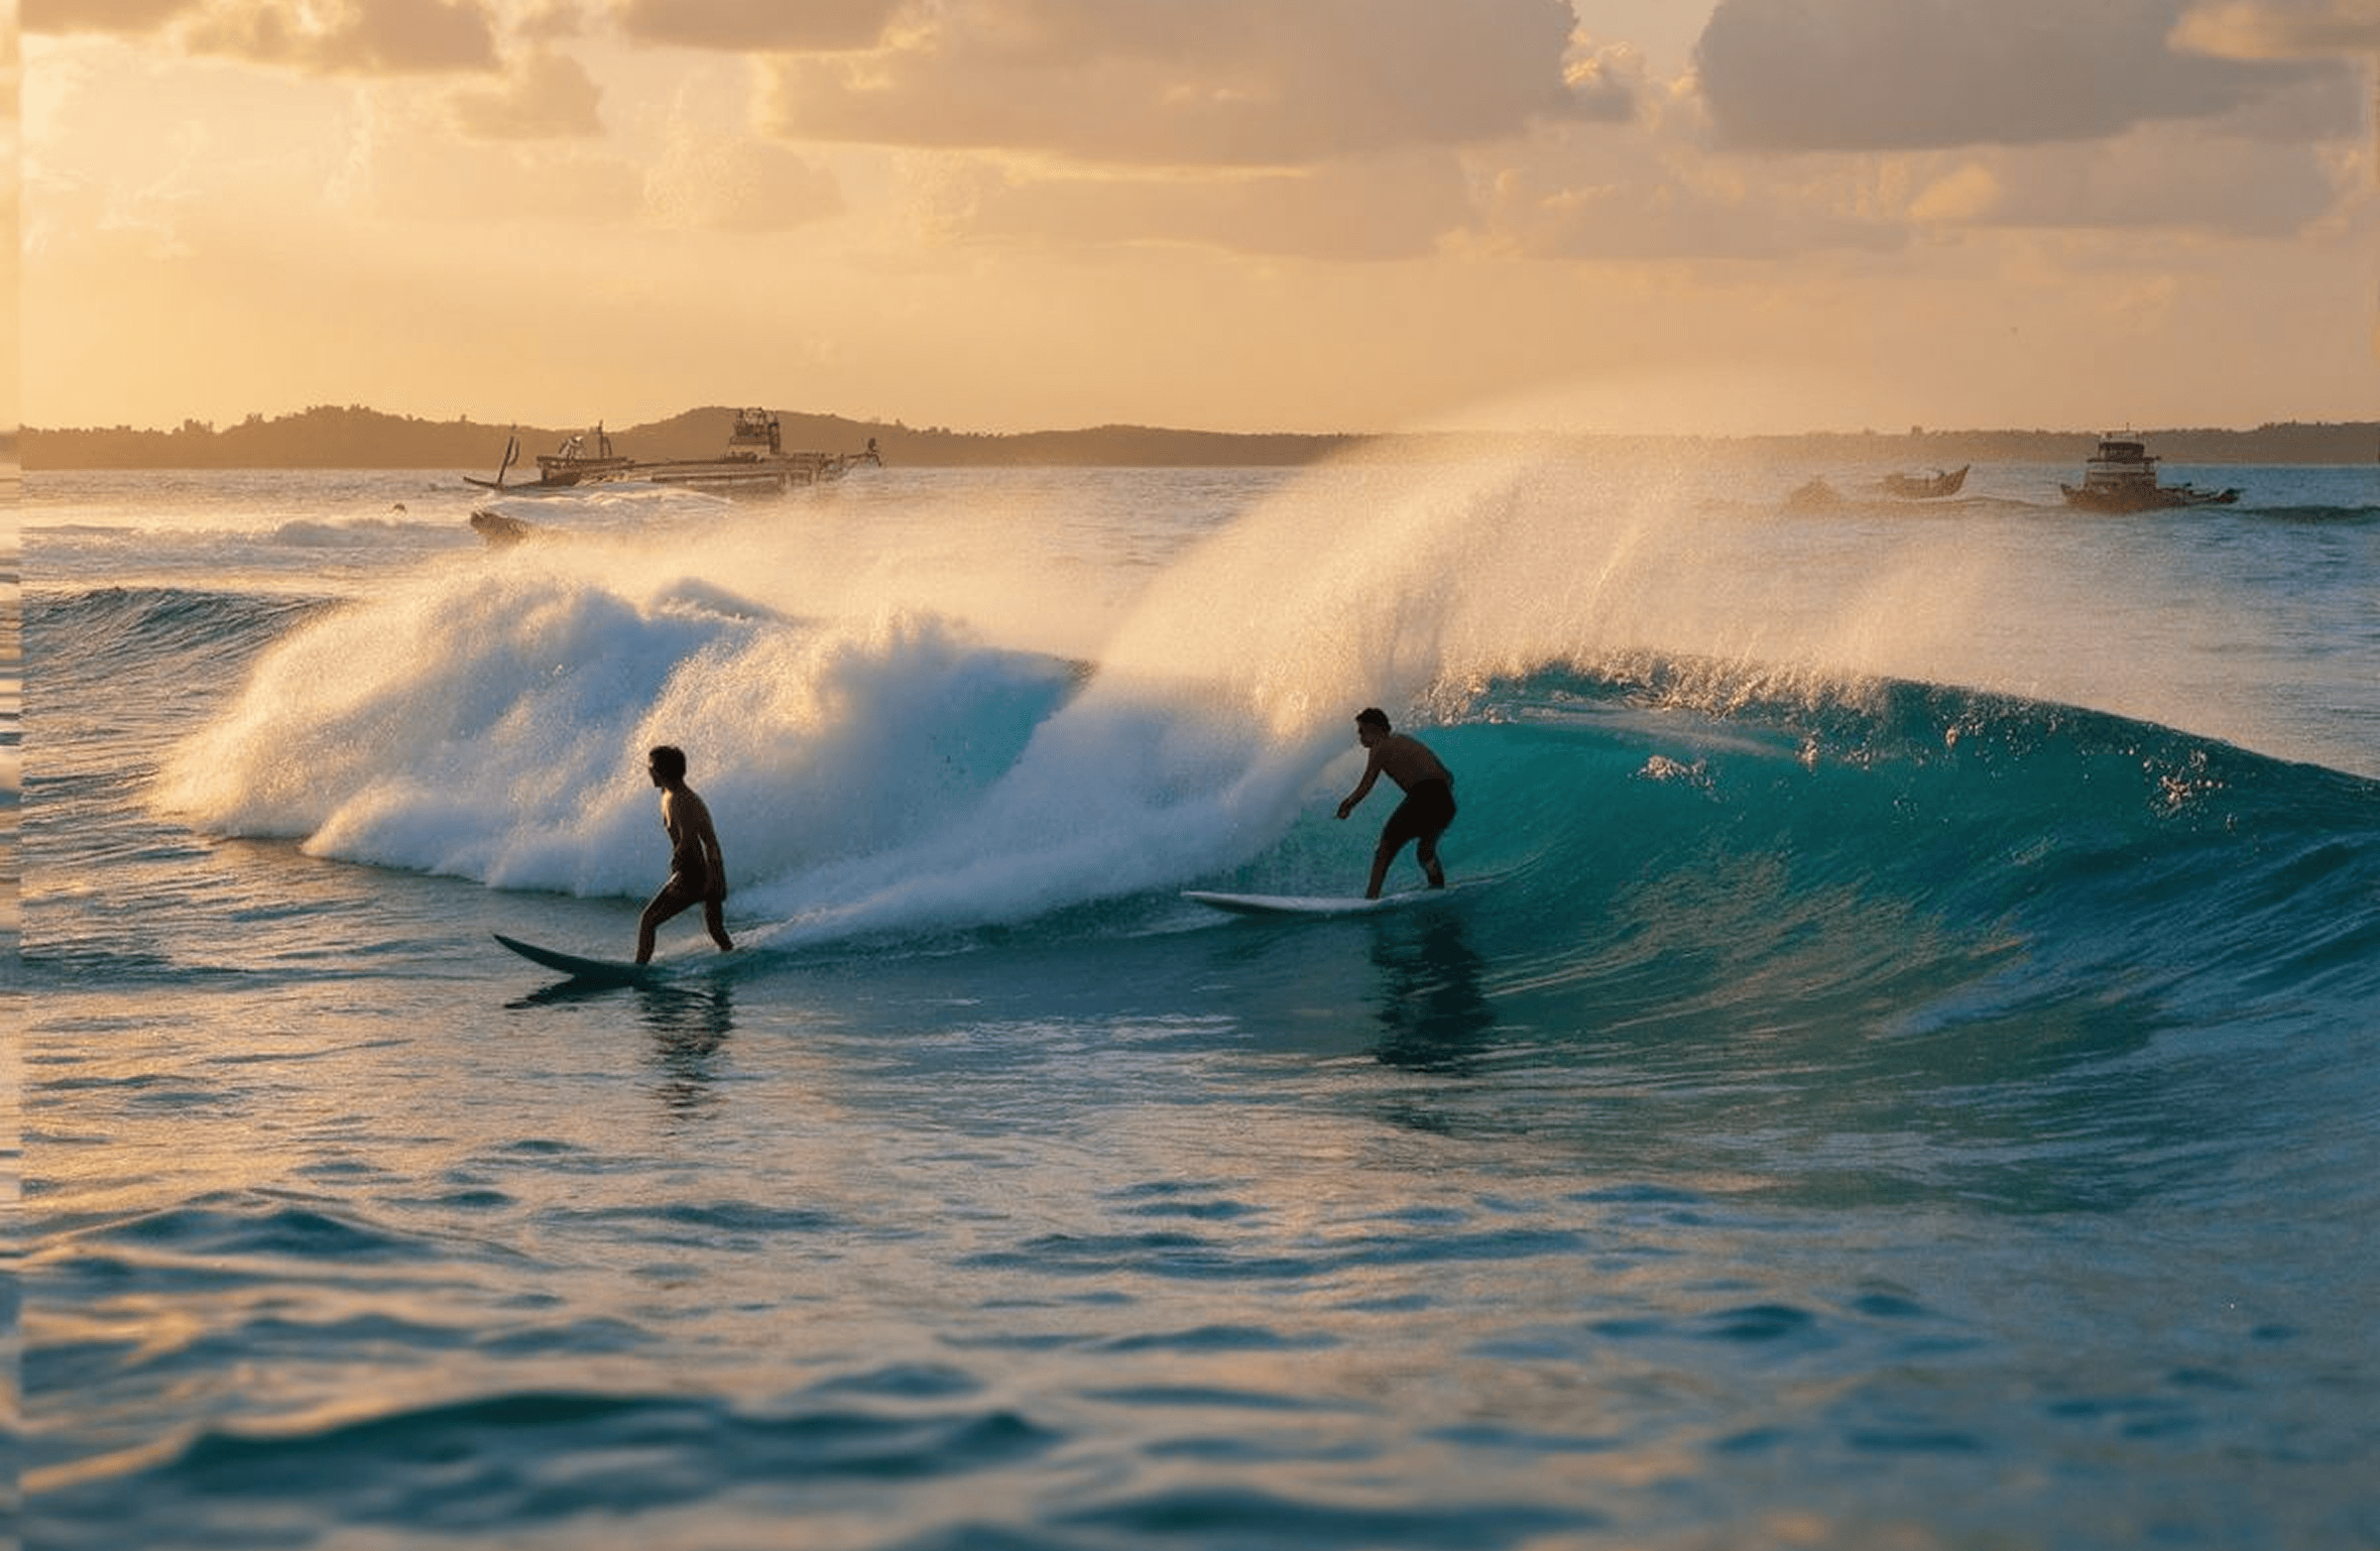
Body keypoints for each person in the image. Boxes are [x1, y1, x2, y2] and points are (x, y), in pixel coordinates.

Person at [1335, 707, 1456, 898]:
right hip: (1445, 802)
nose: (1359, 736)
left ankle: (1371, 898)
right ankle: (1437, 886)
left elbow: (1366, 785)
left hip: (1424, 796)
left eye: (1361, 730)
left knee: (1384, 848)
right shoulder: (1405, 740)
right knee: (1425, 851)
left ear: (1375, 728)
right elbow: (1448, 776)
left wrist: (1348, 804)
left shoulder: (1379, 747)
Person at [637, 744, 734, 962]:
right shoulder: (668, 793)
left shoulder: (682, 799)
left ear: (664, 771)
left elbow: (689, 840)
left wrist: (681, 871)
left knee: (648, 920)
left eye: (651, 767)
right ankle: (731, 957)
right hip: (708, 868)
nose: (648, 771)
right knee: (716, 929)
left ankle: (638, 970)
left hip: (695, 873)